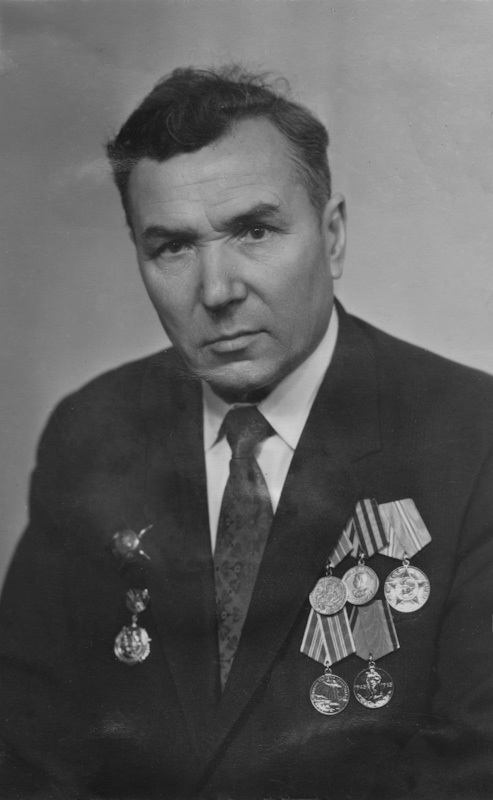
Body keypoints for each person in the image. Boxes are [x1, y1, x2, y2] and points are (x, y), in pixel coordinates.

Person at [0, 65, 492, 800]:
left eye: (254, 231)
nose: (217, 290)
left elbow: (474, 767)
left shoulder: (473, 437)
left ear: (332, 236)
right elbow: (28, 745)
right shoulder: (91, 429)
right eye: (173, 246)